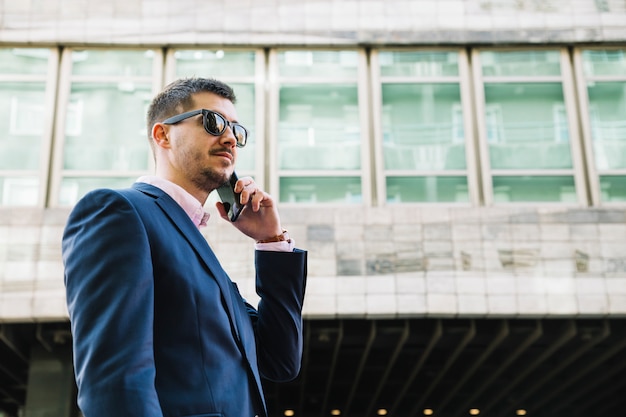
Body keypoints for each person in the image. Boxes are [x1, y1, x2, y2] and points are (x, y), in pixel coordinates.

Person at [62, 77, 308, 417]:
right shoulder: (118, 212)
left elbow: (280, 360)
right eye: (213, 122)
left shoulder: (202, 254)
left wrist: (271, 242)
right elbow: (115, 382)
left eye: (236, 130)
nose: (230, 139)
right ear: (163, 135)